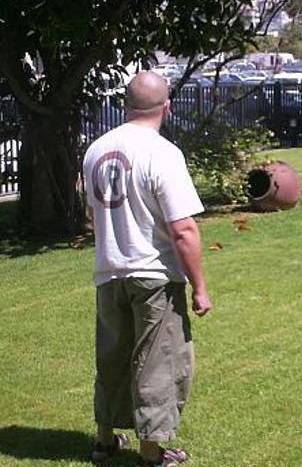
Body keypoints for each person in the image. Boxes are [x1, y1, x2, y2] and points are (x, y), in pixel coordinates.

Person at [83, 71, 212, 467]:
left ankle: (105, 441)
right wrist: (199, 286)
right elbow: (183, 229)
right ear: (167, 106)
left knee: (113, 357)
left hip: (110, 271)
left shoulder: (96, 151)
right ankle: (152, 453)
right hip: (153, 274)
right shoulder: (162, 153)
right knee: (158, 362)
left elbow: (94, 214)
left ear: (125, 106)